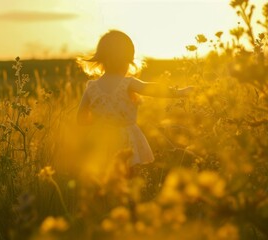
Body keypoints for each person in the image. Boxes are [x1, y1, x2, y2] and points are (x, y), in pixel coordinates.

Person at [77, 30, 194, 169]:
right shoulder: (128, 83)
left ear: (100, 59)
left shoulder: (91, 87)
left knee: (104, 175)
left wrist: (101, 121)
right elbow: (153, 89)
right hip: (126, 139)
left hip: (100, 140)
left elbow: (80, 119)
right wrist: (179, 93)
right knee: (129, 174)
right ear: (127, 60)